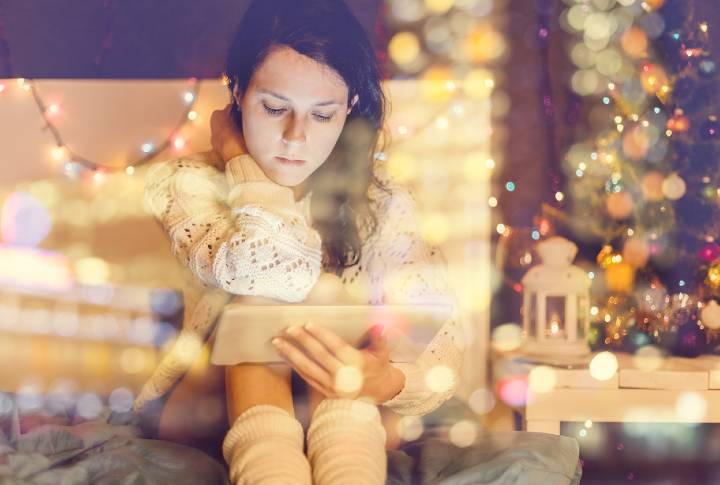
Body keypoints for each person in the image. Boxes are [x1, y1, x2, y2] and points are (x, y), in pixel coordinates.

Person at [138, 0, 465, 483]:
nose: (295, 137)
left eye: (322, 115)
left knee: (348, 320)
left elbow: (441, 337)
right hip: (211, 406)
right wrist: (239, 162)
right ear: (237, 91)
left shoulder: (384, 197)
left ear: (349, 106)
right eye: (274, 109)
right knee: (287, 295)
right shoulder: (187, 182)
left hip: (336, 405)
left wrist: (384, 376)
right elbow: (270, 269)